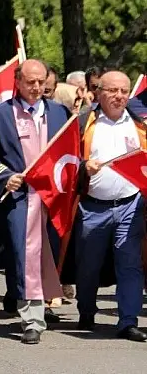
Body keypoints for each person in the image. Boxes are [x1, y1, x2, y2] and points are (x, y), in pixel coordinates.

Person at [0, 59, 71, 344]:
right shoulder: (0, 115)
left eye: (41, 82)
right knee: (24, 254)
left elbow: (72, 154)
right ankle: (32, 319)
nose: (36, 88)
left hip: (53, 196)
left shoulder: (61, 113)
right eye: (30, 82)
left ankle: (46, 302)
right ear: (18, 81)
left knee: (51, 251)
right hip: (19, 197)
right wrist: (4, 175)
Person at [71, 71, 147, 342]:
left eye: (124, 91)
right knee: (88, 264)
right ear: (98, 93)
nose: (119, 96)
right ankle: (87, 309)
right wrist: (83, 168)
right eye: (112, 91)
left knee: (130, 264)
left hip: (131, 204)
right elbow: (66, 161)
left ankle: (128, 320)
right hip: (93, 207)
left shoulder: (139, 125)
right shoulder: (83, 123)